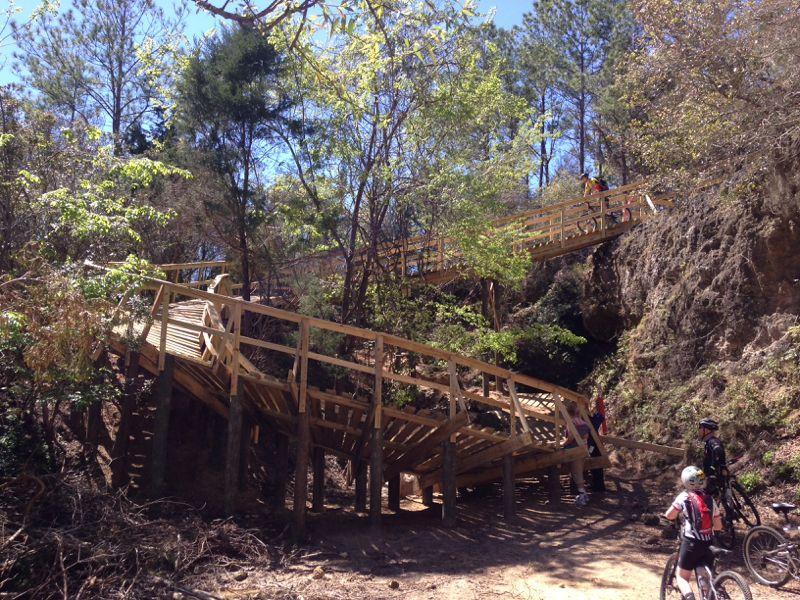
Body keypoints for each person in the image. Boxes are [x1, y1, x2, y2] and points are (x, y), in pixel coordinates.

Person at [664, 466, 723, 600]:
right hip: (708, 543)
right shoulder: (710, 499)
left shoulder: (684, 497)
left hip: (691, 542)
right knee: (704, 578)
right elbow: (718, 526)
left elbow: (669, 515)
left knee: (681, 577)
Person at [564, 401, 591, 506]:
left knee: (576, 472)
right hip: (584, 448)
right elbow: (586, 436)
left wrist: (563, 444)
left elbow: (570, 437)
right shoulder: (583, 422)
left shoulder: (572, 422)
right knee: (579, 471)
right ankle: (584, 494)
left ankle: (582, 496)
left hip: (575, 450)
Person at [699, 418, 727, 495]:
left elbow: (718, 450)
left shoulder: (712, 441)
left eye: (700, 428)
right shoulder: (708, 442)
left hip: (715, 475)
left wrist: (715, 467)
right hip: (709, 474)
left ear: (707, 430)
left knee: (705, 494)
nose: (699, 430)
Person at [588, 394, 607, 493]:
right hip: (595, 444)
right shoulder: (593, 418)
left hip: (591, 444)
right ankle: (599, 486)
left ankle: (597, 486)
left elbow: (600, 418)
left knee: (593, 465)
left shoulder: (588, 419)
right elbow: (601, 417)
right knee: (597, 466)